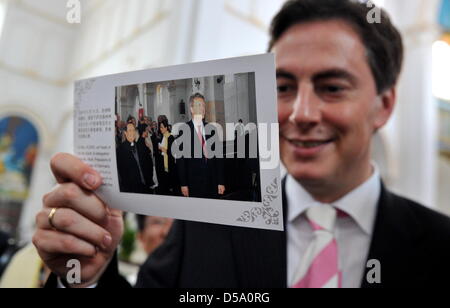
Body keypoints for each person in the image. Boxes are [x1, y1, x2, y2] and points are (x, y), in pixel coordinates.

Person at [33, 0, 450, 288]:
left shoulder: (436, 248)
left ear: (384, 105)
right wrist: (85, 276)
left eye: (332, 87)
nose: (300, 113)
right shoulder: (207, 227)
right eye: (284, 87)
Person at [176, 93, 225, 199]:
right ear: (192, 109)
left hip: (212, 181)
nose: (202, 108)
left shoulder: (211, 129)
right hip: (194, 183)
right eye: (199, 105)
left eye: (203, 105)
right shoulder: (184, 131)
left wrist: (221, 181)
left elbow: (218, 158)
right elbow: (181, 161)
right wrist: (183, 184)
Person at [116, 123, 154, 194]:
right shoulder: (120, 150)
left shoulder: (139, 145)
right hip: (132, 188)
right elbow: (122, 173)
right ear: (125, 133)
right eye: (130, 130)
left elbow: (146, 164)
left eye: (133, 130)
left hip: (145, 186)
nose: (132, 132)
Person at [155, 120, 178, 196]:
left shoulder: (170, 137)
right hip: (164, 162)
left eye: (162, 127)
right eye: (160, 127)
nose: (160, 129)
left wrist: (163, 149)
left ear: (166, 128)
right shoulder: (163, 136)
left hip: (170, 163)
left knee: (171, 183)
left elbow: (172, 152)